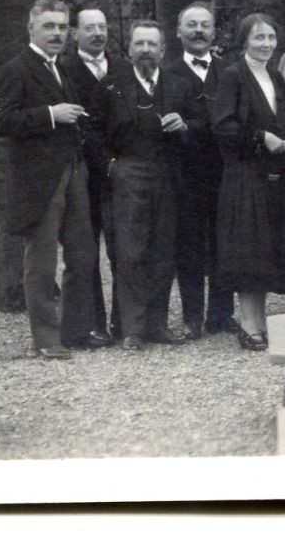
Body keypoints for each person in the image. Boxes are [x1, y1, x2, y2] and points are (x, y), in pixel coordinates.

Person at [0, 0, 100, 359]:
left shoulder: (62, 69)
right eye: (49, 26)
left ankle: (75, 331)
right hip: (38, 181)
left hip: (73, 171)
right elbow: (2, 123)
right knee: (41, 261)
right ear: (32, 29)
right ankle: (46, 339)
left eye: (62, 27)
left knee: (83, 255)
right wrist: (51, 115)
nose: (57, 33)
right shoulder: (16, 69)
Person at [211, 12, 285, 351]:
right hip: (244, 178)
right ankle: (249, 325)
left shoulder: (274, 76)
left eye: (270, 38)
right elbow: (223, 127)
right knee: (248, 255)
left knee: (266, 253)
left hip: (274, 178)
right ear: (244, 41)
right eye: (259, 38)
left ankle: (260, 323)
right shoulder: (232, 76)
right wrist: (260, 137)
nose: (266, 44)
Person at [103, 20, 190, 350]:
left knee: (163, 251)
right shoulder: (113, 86)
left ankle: (158, 324)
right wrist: (112, 166)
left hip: (167, 175)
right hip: (129, 175)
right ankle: (133, 329)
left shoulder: (177, 85)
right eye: (139, 44)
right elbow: (94, 133)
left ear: (163, 50)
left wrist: (184, 126)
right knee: (131, 251)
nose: (145, 51)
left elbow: (199, 125)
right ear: (129, 48)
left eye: (152, 45)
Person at [57, 5, 129, 344]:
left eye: (102, 26)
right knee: (84, 251)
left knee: (123, 249)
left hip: (119, 175)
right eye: (90, 28)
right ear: (75, 34)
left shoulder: (121, 68)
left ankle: (124, 321)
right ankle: (90, 325)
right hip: (83, 173)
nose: (98, 33)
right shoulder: (64, 69)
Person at [165, 2, 235, 339]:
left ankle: (221, 315)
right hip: (186, 175)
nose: (198, 31)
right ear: (179, 32)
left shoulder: (230, 72)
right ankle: (193, 317)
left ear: (213, 32)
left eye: (204, 25)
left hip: (224, 174)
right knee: (189, 246)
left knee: (224, 243)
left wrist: (192, 126)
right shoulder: (168, 74)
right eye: (191, 25)